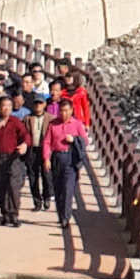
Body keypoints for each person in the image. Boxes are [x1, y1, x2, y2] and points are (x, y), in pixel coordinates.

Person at [42, 97, 91, 228]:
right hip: (57, 157)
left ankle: (66, 216)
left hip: (70, 157)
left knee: (67, 188)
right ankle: (61, 213)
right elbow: (47, 142)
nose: (64, 114)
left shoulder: (77, 124)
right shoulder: (53, 124)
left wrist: (74, 139)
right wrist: (46, 158)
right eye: (62, 111)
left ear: (71, 110)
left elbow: (85, 141)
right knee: (58, 188)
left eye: (66, 111)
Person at [0, 95, 30, 225]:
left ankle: (14, 214)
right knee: (1, 187)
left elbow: (25, 135)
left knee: (14, 187)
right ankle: (5, 214)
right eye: (4, 106)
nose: (7, 108)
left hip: (13, 158)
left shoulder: (15, 122)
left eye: (9, 105)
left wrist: (24, 144)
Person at [23, 97, 52, 211]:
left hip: (45, 150)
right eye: (36, 103)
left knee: (47, 175)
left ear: (44, 104)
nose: (38, 105)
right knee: (32, 176)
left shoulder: (50, 119)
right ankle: (37, 201)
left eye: (40, 103)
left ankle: (47, 197)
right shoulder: (27, 118)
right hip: (32, 150)